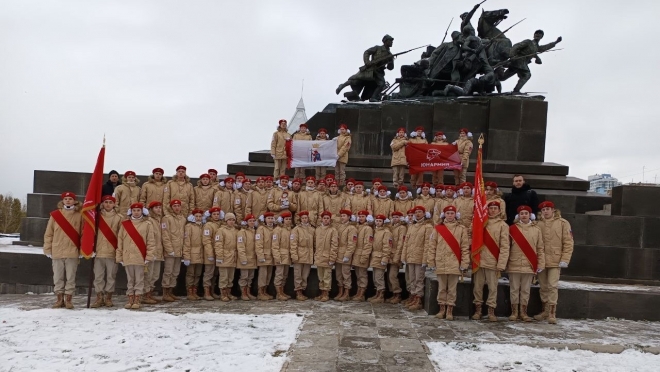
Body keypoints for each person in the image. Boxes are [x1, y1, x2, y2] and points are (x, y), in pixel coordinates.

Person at [534, 201, 574, 324]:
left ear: (553, 210)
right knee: (543, 287)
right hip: (541, 261)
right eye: (543, 210)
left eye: (548, 209)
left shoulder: (563, 223)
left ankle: (552, 313)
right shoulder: (537, 224)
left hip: (556, 261)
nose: (546, 211)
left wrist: (565, 259)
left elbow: (568, 242)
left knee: (552, 286)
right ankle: (545, 311)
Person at [427, 205, 469, 320]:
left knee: (452, 289)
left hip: (455, 263)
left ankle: (450, 310)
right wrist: (431, 261)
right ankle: (441, 309)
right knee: (441, 288)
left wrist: (464, 263)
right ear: (444, 215)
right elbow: (432, 246)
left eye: (452, 213)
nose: (450, 215)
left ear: (455, 215)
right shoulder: (438, 228)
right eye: (448, 213)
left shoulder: (461, 229)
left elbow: (464, 248)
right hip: (441, 262)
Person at [43, 191, 82, 309]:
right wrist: (47, 249)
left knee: (71, 277)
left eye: (70, 199)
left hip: (72, 250)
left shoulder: (80, 215)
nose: (68, 201)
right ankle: (59, 299)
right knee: (58, 277)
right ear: (62, 201)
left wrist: (82, 250)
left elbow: (83, 233)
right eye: (66, 199)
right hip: (57, 250)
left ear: (74, 201)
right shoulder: (55, 215)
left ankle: (69, 300)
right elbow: (49, 233)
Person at [472, 201, 510, 322]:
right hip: (479, 261)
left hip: (493, 261)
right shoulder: (480, 222)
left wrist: (501, 263)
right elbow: (470, 236)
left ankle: (491, 310)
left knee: (493, 288)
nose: (493, 210)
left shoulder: (503, 225)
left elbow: (505, 246)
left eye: (495, 208)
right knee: (477, 287)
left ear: (499, 210)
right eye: (491, 208)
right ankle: (478, 309)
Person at [507, 205, 545, 322]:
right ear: (518, 216)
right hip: (514, 263)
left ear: (530, 215)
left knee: (525, 290)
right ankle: (514, 312)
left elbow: (540, 248)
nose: (524, 215)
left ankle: (524, 312)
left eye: (526, 213)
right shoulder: (512, 229)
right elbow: (506, 247)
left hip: (529, 264)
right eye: (522, 213)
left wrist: (540, 264)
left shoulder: (537, 230)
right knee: (514, 289)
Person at [117, 202, 156, 310]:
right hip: (128, 256)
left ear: (142, 211)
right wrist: (119, 256)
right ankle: (130, 298)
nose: (136, 212)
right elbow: (120, 241)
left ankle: (137, 298)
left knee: (139, 279)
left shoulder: (147, 224)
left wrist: (148, 256)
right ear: (131, 212)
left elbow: (151, 241)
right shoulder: (125, 224)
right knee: (130, 279)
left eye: (138, 210)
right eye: (134, 210)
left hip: (140, 256)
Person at [91, 195, 122, 308]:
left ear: (114, 204)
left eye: (110, 202)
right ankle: (99, 297)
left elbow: (121, 236)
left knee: (111, 276)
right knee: (98, 276)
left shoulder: (119, 218)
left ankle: (108, 297)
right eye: (106, 202)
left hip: (112, 252)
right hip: (98, 252)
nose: (108, 204)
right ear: (102, 204)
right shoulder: (96, 217)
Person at [401, 206, 433, 311]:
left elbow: (428, 244)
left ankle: (418, 299)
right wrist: (404, 255)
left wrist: (425, 259)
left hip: (420, 257)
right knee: (412, 278)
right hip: (411, 256)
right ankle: (413, 296)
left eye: (420, 212)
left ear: (424, 213)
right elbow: (406, 243)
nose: (418, 214)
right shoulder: (412, 226)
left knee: (419, 279)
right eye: (416, 212)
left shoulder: (427, 226)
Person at [161, 199, 186, 302]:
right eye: (174, 206)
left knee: (175, 272)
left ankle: (171, 291)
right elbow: (165, 234)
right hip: (170, 250)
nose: (176, 208)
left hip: (179, 250)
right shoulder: (166, 218)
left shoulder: (183, 219)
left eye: (178, 206)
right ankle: (165, 292)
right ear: (171, 207)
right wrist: (169, 249)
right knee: (168, 271)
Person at [290, 211, 315, 301]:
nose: (305, 219)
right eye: (303, 218)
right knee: (298, 275)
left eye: (306, 218)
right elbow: (293, 244)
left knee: (305, 275)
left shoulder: (312, 229)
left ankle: (303, 290)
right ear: (300, 219)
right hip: (299, 255)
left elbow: (315, 243)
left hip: (308, 255)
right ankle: (298, 291)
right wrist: (294, 255)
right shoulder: (296, 230)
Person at [314, 211, 338, 302]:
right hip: (319, 257)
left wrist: (332, 258)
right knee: (320, 276)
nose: (326, 220)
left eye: (328, 218)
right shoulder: (318, 229)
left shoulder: (333, 230)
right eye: (324, 218)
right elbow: (316, 243)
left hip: (327, 257)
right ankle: (321, 292)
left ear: (330, 220)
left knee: (326, 277)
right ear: (322, 219)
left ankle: (326, 293)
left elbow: (334, 245)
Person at [144, 201, 165, 304]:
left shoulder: (160, 220)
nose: (158, 210)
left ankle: (150, 293)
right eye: (156, 208)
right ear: (151, 209)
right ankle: (145, 294)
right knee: (149, 274)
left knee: (155, 275)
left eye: (159, 208)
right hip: (151, 251)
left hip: (159, 251)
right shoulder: (149, 220)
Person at [214, 212, 239, 301]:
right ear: (226, 221)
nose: (231, 222)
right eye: (229, 220)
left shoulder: (236, 230)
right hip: (224, 256)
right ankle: (223, 294)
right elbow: (218, 244)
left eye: (233, 220)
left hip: (233, 256)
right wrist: (219, 257)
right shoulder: (221, 231)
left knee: (230, 277)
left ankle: (229, 292)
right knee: (224, 277)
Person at [333, 209, 357, 301]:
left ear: (349, 217)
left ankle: (346, 293)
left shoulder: (352, 228)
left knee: (346, 274)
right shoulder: (339, 227)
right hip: (338, 253)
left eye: (344, 216)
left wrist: (348, 255)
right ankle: (340, 292)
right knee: (338, 274)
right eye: (341, 216)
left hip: (345, 254)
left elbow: (352, 243)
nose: (342, 218)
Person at [368, 215, 391, 303]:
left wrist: (385, 258)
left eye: (380, 221)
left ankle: (381, 295)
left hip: (381, 256)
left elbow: (387, 246)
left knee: (379, 277)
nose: (378, 222)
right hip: (375, 256)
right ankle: (377, 293)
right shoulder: (375, 231)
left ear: (383, 222)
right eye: (377, 220)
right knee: (375, 277)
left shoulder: (386, 232)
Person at [351, 210, 374, 302]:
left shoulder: (368, 229)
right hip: (356, 254)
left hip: (362, 254)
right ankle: (358, 291)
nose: (361, 218)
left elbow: (368, 244)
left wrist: (365, 256)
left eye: (363, 217)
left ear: (366, 218)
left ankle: (362, 293)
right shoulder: (357, 227)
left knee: (362, 275)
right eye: (359, 217)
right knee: (358, 275)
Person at [183, 209, 205, 301]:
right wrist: (186, 256)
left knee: (198, 274)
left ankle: (194, 291)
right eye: (196, 216)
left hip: (201, 254)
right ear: (193, 217)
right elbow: (186, 242)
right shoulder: (189, 226)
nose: (198, 218)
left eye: (200, 216)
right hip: (192, 253)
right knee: (191, 274)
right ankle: (189, 292)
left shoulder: (203, 226)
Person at [255, 212, 277, 300]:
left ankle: (265, 291)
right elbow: (258, 243)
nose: (270, 220)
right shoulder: (261, 229)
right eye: (269, 218)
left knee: (268, 275)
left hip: (271, 255)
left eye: (272, 218)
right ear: (265, 219)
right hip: (264, 255)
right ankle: (260, 292)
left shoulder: (275, 229)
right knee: (263, 275)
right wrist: (260, 256)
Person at [237, 214, 258, 301]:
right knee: (244, 276)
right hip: (245, 257)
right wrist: (243, 258)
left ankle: (248, 291)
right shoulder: (242, 232)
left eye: (253, 221)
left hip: (252, 257)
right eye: (250, 221)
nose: (252, 223)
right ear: (246, 222)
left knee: (250, 276)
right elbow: (240, 246)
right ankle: (243, 293)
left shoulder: (254, 231)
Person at [386, 211, 406, 304]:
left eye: (397, 217)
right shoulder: (391, 227)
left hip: (396, 255)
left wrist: (397, 257)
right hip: (389, 254)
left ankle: (398, 293)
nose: (395, 219)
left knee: (392, 276)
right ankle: (393, 294)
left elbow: (401, 243)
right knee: (389, 276)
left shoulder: (402, 228)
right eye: (393, 217)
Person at [273, 211, 294, 301]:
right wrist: (277, 257)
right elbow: (275, 245)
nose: (288, 221)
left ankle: (282, 291)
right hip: (281, 255)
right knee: (279, 275)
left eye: (289, 219)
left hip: (287, 256)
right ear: (282, 220)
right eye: (286, 219)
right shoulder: (278, 230)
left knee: (284, 275)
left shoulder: (290, 230)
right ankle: (278, 293)